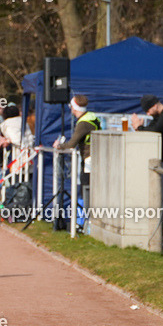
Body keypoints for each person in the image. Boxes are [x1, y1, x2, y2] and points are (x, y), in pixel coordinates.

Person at [131, 94, 163, 249]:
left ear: (154, 105)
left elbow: (155, 131)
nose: (147, 114)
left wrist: (139, 127)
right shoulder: (159, 116)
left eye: (147, 110)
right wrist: (141, 129)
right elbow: (151, 129)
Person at [53, 95, 101, 230]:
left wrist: (59, 146)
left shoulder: (83, 123)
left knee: (86, 189)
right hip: (94, 158)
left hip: (89, 159)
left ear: (74, 107)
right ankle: (86, 223)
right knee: (88, 189)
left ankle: (87, 224)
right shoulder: (92, 117)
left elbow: (71, 144)